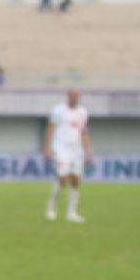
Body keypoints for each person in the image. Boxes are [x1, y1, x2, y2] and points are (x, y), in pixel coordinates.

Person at [44, 88, 91, 222]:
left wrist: (88, 148)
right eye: (72, 95)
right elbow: (50, 128)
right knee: (63, 178)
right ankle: (51, 206)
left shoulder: (83, 112)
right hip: (61, 147)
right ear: (67, 96)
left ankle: (71, 213)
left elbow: (84, 131)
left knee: (76, 180)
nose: (74, 98)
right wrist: (47, 147)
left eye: (76, 95)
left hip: (76, 149)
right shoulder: (58, 110)